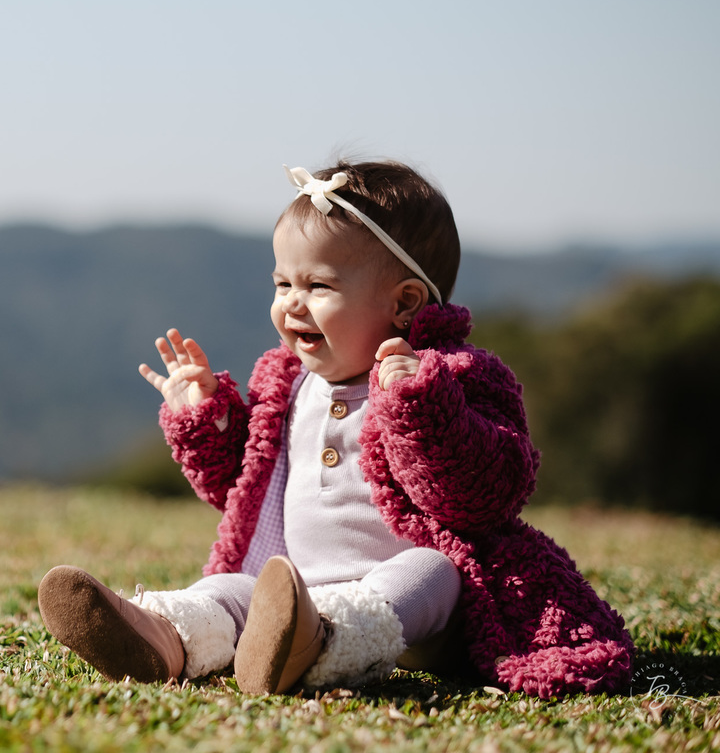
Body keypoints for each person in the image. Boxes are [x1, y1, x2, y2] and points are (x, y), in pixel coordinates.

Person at [38, 159, 633, 698]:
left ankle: (324, 642)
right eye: (282, 284)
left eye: (317, 286)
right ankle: (165, 636)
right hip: (291, 587)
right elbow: (241, 487)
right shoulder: (287, 383)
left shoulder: (452, 378)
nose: (292, 304)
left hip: (420, 605)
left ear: (404, 304)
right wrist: (207, 414)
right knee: (230, 588)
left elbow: (484, 492)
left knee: (428, 570)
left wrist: (418, 406)